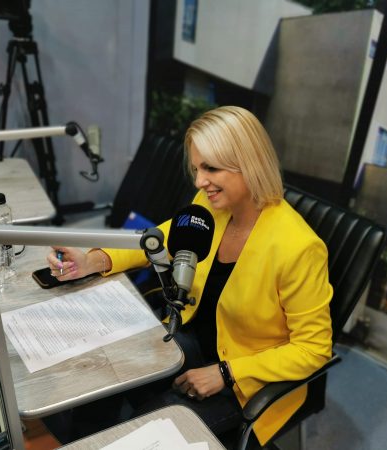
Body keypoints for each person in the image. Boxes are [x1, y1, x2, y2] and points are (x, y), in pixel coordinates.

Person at [46, 105, 333, 446]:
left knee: (141, 431)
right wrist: (94, 260)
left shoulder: (298, 248)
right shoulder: (212, 204)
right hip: (192, 340)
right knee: (102, 378)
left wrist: (226, 373)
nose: (199, 181)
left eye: (211, 168)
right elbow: (161, 240)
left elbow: (314, 349)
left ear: (250, 163)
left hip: (247, 381)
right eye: (197, 168)